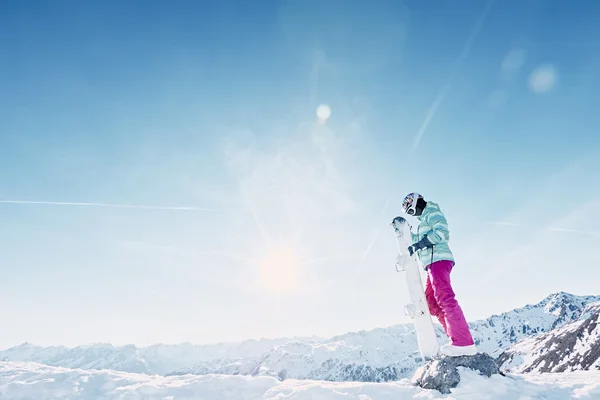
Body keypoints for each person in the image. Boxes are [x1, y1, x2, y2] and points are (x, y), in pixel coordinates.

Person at [402, 192, 477, 357]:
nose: (412, 215)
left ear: (415, 202)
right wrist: (406, 233)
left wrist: (420, 243)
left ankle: (463, 342)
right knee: (430, 302)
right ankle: (455, 339)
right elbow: (418, 240)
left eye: (411, 210)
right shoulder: (423, 222)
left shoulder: (432, 212)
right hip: (430, 263)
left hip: (439, 259)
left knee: (444, 297)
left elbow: (442, 233)